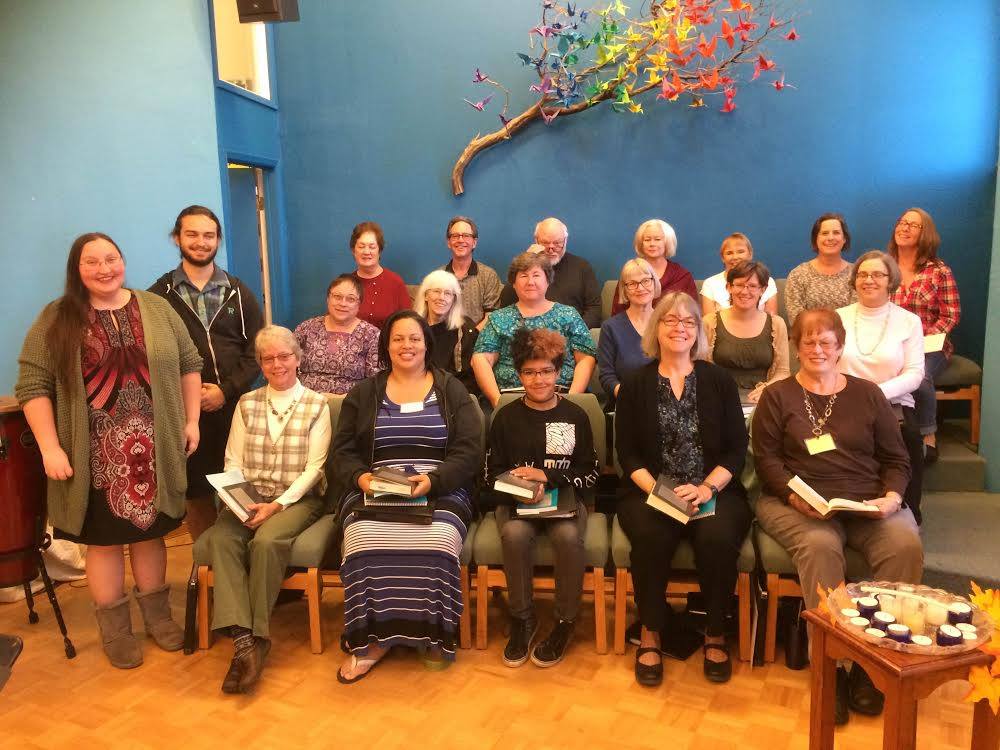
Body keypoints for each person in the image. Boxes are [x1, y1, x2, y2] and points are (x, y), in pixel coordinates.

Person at [16, 233, 202, 669]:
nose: (104, 269)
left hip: (154, 451)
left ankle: (159, 619)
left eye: (111, 259)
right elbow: (32, 385)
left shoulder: (156, 308)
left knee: (152, 535)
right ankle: (115, 630)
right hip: (94, 456)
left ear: (123, 260)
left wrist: (191, 421)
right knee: (102, 544)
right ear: (76, 268)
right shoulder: (57, 318)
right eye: (92, 261)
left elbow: (189, 364)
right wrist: (49, 448)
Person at [752, 309, 921, 725]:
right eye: (808, 341)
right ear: (796, 347)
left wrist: (893, 496)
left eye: (826, 342)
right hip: (796, 501)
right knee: (820, 546)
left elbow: (897, 458)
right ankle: (834, 668)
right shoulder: (778, 396)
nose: (817, 349)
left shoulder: (868, 394)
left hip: (866, 503)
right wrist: (795, 497)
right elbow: (768, 463)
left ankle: (875, 662)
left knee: (904, 545)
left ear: (840, 348)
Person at [332, 310, 481, 683]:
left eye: (414, 338)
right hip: (375, 489)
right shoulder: (364, 392)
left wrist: (434, 481)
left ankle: (433, 635)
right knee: (363, 540)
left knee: (439, 539)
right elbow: (342, 452)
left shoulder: (452, 390)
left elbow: (469, 450)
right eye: (398, 338)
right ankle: (371, 641)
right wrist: (362, 478)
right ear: (386, 345)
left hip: (439, 488)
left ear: (426, 344)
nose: (406, 346)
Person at [615, 292, 751, 686]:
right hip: (649, 492)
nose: (679, 328)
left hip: (714, 491)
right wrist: (662, 492)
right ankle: (651, 631)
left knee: (717, 538)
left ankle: (714, 631)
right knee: (651, 538)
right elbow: (628, 455)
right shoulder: (635, 384)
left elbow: (735, 449)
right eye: (670, 321)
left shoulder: (718, 380)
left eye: (689, 321)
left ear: (698, 331)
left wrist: (707, 488)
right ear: (656, 328)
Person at [197, 326, 331, 694]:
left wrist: (277, 505)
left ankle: (252, 637)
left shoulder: (316, 405)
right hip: (248, 496)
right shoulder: (247, 403)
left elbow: (315, 467)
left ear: (298, 358)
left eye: (284, 356)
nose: (277, 364)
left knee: (267, 542)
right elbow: (232, 460)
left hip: (296, 499)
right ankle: (247, 641)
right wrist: (239, 500)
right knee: (223, 538)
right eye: (268, 358)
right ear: (260, 364)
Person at [487, 328, 601, 668]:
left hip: (564, 501)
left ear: (558, 372)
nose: (539, 379)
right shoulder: (505, 417)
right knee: (515, 534)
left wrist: (546, 476)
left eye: (547, 371)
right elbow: (489, 474)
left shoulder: (574, 415)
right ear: (519, 374)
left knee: (568, 537)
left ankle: (565, 621)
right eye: (530, 372)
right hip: (517, 504)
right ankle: (523, 619)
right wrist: (519, 484)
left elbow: (591, 471)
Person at [149, 205, 264, 541]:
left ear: (218, 241)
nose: (201, 242)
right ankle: (207, 567)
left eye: (209, 235)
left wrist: (225, 390)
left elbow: (256, 352)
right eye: (192, 234)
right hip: (186, 414)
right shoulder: (158, 297)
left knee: (242, 487)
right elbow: (153, 356)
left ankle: (241, 562)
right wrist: (191, 397)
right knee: (197, 493)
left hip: (235, 408)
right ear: (177, 238)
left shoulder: (239, 293)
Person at [836, 251, 925, 522]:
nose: (869, 280)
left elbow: (915, 373)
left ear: (890, 280)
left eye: (877, 274)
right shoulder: (837, 317)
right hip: (842, 400)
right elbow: (827, 363)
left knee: (909, 438)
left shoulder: (909, 321)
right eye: (862, 274)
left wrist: (875, 394)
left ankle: (908, 509)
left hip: (893, 402)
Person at [472, 252, 597, 408]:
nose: (530, 282)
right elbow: (481, 360)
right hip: (511, 400)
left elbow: (586, 359)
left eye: (536, 275)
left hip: (562, 398)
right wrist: (497, 401)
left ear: (547, 281)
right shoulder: (498, 319)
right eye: (524, 276)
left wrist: (571, 401)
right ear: (514, 283)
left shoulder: (568, 314)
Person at [888, 207, 961, 464]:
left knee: (920, 375)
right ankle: (891, 433)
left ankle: (928, 436)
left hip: (931, 345)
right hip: (892, 342)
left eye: (913, 225)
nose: (904, 228)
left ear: (925, 233)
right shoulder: (885, 269)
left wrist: (920, 336)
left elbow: (951, 314)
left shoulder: (939, 271)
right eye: (901, 222)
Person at [703, 261, 790, 404]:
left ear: (763, 290)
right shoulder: (709, 322)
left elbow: (783, 372)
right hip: (719, 399)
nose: (745, 291)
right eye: (739, 285)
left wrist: (768, 389)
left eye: (753, 286)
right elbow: (702, 369)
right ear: (729, 287)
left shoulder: (777, 324)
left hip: (764, 400)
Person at [498, 218, 602, 327]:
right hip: (527, 331)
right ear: (536, 241)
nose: (551, 248)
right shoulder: (523, 268)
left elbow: (594, 308)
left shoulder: (582, 267)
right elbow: (506, 302)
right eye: (545, 243)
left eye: (557, 243)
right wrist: (527, 262)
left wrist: (575, 332)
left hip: (571, 331)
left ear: (565, 241)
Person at [294, 273, 380, 394]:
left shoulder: (371, 335)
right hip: (307, 403)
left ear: (359, 304)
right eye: (337, 297)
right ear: (328, 299)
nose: (343, 303)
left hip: (351, 405)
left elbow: (376, 380)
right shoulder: (307, 328)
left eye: (350, 299)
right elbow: (286, 361)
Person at [610, 219, 697, 316]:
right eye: (647, 240)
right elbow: (617, 313)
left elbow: (693, 315)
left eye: (657, 239)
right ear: (641, 244)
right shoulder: (629, 273)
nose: (652, 244)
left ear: (667, 242)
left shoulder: (682, 276)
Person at [598, 258, 656, 403]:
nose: (641, 288)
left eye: (646, 281)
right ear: (624, 289)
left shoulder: (668, 323)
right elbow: (607, 377)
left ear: (654, 283)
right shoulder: (610, 328)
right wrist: (629, 396)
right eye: (632, 284)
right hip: (627, 403)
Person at [413, 269, 480, 394]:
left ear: (454, 299)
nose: (441, 298)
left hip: (453, 394)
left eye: (447, 293)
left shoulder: (465, 330)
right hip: (416, 389)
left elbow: (469, 378)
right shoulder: (413, 326)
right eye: (436, 291)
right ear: (426, 295)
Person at [784, 213, 857, 326]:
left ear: (844, 239)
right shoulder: (798, 274)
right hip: (809, 339)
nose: (830, 238)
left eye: (836, 233)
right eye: (824, 233)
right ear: (815, 239)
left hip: (848, 339)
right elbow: (796, 319)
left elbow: (857, 315)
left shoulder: (857, 274)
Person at [439, 216, 502, 329]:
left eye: (466, 236)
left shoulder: (488, 275)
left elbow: (491, 316)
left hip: (478, 340)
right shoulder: (438, 276)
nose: (460, 240)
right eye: (455, 236)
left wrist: (470, 339)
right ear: (448, 242)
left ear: (474, 242)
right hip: (445, 340)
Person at [348, 221, 412, 329]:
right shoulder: (346, 284)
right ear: (353, 250)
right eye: (361, 246)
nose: (366, 251)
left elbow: (408, 323)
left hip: (387, 344)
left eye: (372, 247)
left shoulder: (395, 282)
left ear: (380, 250)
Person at [700, 233, 779, 316]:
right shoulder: (710, 284)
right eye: (729, 253)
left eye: (740, 252)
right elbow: (709, 324)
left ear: (750, 254)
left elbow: (772, 321)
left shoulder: (768, 281)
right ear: (722, 258)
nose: (735, 257)